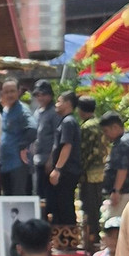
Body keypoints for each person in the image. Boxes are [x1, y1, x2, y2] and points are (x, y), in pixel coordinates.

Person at [47, 90, 81, 225]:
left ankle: (68, 238)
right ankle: (63, 239)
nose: (56, 104)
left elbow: (67, 146)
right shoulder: (66, 121)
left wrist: (58, 169)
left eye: (59, 101)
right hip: (66, 170)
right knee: (60, 204)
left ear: (67, 104)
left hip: (67, 171)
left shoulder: (68, 122)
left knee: (64, 205)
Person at [100, 111, 129, 220]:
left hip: (124, 193)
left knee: (115, 225)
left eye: (106, 131)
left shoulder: (123, 143)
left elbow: (122, 169)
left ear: (115, 127)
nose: (106, 135)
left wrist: (116, 191)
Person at [78, 96, 108, 244]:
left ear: (81, 110)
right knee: (98, 205)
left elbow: (84, 152)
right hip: (102, 171)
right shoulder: (100, 124)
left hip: (89, 173)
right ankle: (97, 235)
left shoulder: (86, 127)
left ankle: (92, 237)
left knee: (89, 207)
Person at [0, 79, 36, 195]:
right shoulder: (6, 110)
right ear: (2, 93)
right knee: (7, 197)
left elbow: (33, 128)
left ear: (19, 92)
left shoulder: (22, 110)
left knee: (18, 197)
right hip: (5, 162)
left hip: (17, 163)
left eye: (12, 91)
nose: (9, 95)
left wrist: (22, 146)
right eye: (6, 92)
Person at [31, 80, 59, 205]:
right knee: (38, 194)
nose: (40, 97)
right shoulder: (37, 112)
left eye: (43, 94)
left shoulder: (54, 113)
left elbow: (57, 138)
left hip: (48, 160)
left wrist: (51, 160)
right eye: (37, 95)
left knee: (49, 196)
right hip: (36, 159)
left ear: (50, 95)